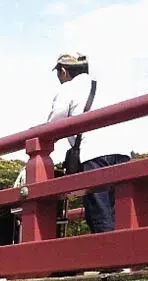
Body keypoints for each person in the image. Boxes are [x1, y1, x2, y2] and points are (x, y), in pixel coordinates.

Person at [46, 51, 129, 233]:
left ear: (64, 71)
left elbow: (50, 128)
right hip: (123, 153)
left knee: (99, 216)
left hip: (95, 154)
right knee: (121, 216)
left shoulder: (68, 89)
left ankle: (111, 261)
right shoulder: (106, 87)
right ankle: (126, 260)